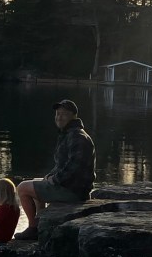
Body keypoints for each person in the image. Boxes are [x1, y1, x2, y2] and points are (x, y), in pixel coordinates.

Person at [15, 99, 95, 240]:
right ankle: (40, 226)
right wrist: (49, 176)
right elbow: (62, 165)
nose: (59, 117)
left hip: (74, 191)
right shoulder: (69, 134)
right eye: (58, 114)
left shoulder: (78, 137)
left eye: (64, 114)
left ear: (74, 116)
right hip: (71, 187)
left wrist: (54, 179)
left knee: (22, 188)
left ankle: (33, 228)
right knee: (37, 183)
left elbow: (74, 168)